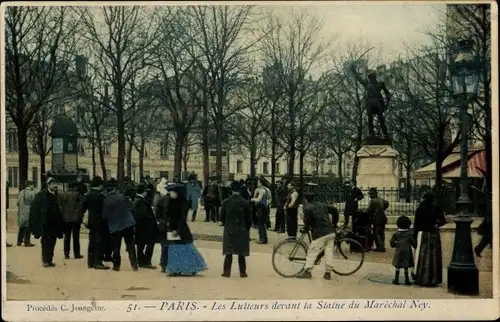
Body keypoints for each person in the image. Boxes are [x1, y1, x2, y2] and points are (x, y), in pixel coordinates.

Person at [161, 183, 207, 276]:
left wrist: (176, 229)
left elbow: (182, 218)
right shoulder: (170, 201)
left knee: (184, 248)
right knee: (174, 249)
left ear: (177, 193)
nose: (170, 194)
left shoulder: (183, 203)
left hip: (180, 229)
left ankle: (189, 267)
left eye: (172, 192)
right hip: (171, 228)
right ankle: (175, 268)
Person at [295, 195, 339, 280]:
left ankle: (307, 271)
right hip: (331, 231)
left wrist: (306, 227)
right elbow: (335, 210)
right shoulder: (323, 205)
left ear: (306, 200)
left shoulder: (308, 208)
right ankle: (328, 273)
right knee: (328, 252)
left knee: (312, 251)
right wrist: (334, 223)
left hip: (320, 233)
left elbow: (306, 222)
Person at [102, 180, 138, 271]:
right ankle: (134, 264)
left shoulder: (106, 201)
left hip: (115, 226)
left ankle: (117, 265)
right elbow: (131, 208)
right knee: (130, 245)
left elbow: (105, 216)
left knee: (116, 247)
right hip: (128, 224)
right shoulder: (122, 197)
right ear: (114, 189)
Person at [29, 177, 65, 267]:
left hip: (54, 223)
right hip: (45, 224)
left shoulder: (55, 194)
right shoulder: (41, 195)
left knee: (53, 242)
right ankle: (45, 260)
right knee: (45, 242)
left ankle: (49, 260)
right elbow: (35, 209)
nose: (55, 185)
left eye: (55, 183)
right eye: (53, 184)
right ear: (48, 185)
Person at [412, 192, 446, 286]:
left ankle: (421, 277)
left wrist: (414, 236)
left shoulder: (420, 209)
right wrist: (436, 224)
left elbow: (416, 225)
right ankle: (433, 278)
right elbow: (443, 221)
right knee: (434, 256)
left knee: (422, 256)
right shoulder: (436, 208)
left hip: (423, 234)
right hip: (434, 234)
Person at [220, 181, 252, 278]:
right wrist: (246, 228)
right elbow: (249, 219)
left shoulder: (226, 202)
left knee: (228, 252)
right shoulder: (245, 203)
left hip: (229, 228)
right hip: (241, 229)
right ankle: (242, 272)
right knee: (241, 252)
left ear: (231, 189)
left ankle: (226, 272)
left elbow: (221, 217)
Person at [350, 64, 392, 138]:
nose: (369, 78)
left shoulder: (380, 84)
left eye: (370, 76)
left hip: (377, 102)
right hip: (370, 103)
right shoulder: (368, 84)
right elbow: (359, 79)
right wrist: (354, 71)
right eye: (369, 77)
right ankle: (371, 133)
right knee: (370, 118)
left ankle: (385, 133)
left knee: (380, 118)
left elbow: (387, 93)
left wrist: (387, 99)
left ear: (374, 77)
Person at [80, 176, 109, 270]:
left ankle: (90, 262)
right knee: (100, 243)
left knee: (92, 242)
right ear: (100, 185)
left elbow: (82, 208)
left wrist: (83, 220)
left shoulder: (88, 195)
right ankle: (98, 262)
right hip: (100, 222)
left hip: (91, 222)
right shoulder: (101, 197)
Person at [132, 184, 159, 269]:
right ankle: (146, 261)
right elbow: (145, 215)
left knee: (140, 245)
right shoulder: (141, 201)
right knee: (149, 244)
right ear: (143, 192)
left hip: (140, 227)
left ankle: (141, 261)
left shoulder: (136, 200)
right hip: (145, 227)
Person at [58, 183, 84, 259]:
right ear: (75, 187)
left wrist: (63, 215)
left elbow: (60, 206)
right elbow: (82, 205)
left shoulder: (63, 194)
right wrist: (80, 215)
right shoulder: (78, 194)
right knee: (76, 237)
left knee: (67, 236)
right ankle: (76, 253)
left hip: (66, 219)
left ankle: (66, 253)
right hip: (76, 219)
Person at [390, 215, 416, 285]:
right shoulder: (410, 233)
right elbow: (413, 242)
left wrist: (395, 245)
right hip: (407, 251)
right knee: (406, 266)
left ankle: (396, 279)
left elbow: (392, 243)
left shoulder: (396, 233)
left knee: (398, 266)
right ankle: (406, 280)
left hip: (399, 251)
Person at [367, 188, 389, 252]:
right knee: (382, 233)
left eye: (370, 194)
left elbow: (369, 210)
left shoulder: (372, 201)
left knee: (376, 233)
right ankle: (382, 246)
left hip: (376, 219)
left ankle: (380, 247)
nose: (370, 195)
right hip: (382, 218)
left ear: (373, 194)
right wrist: (382, 209)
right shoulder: (381, 199)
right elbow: (387, 203)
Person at [251, 178, 271, 244]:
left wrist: (253, 199)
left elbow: (259, 199)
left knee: (260, 224)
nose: (257, 183)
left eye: (258, 182)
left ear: (261, 183)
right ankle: (264, 238)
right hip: (264, 208)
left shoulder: (261, 190)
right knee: (263, 224)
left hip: (261, 208)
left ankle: (262, 239)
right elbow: (268, 199)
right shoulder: (266, 189)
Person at [16, 180, 36, 247]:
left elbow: (17, 203)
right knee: (28, 227)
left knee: (22, 227)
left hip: (21, 212)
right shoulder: (31, 192)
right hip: (28, 212)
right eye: (33, 185)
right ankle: (27, 242)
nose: (33, 186)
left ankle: (19, 241)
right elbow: (34, 202)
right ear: (30, 185)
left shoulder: (21, 192)